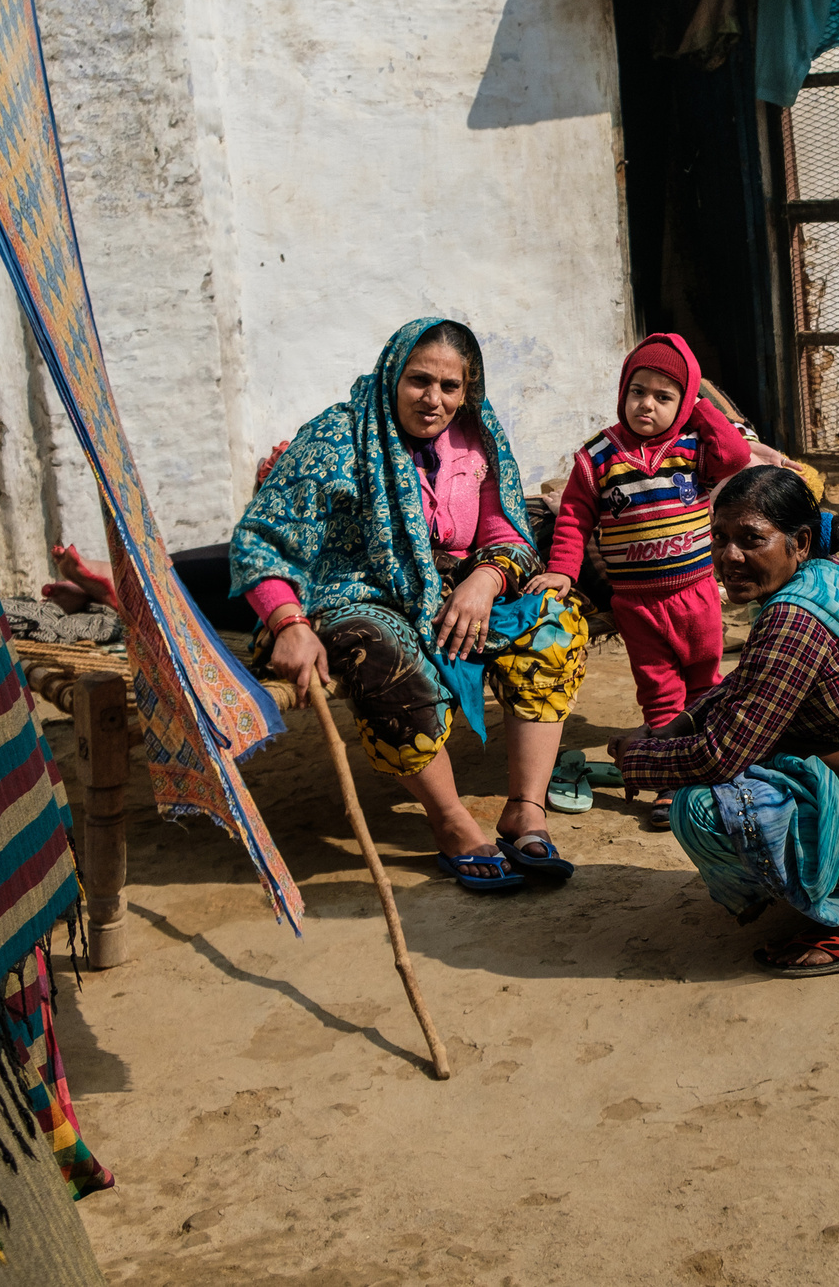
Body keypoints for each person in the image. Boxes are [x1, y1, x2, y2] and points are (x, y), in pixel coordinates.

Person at [231, 318, 588, 893]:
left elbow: (507, 530)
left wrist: (488, 579)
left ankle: (526, 807)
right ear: (392, 374)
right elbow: (260, 541)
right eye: (419, 380)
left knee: (553, 621)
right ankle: (450, 822)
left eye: (451, 387)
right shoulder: (336, 437)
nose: (434, 399)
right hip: (357, 594)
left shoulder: (477, 434)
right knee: (381, 653)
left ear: (468, 390)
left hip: (459, 591)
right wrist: (288, 623)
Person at [610, 467, 839, 976]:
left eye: (751, 540)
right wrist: (680, 722)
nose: (729, 557)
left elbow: (719, 756)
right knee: (755, 766)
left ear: (800, 541)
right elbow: (745, 685)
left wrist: (639, 759)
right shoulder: (827, 580)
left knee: (699, 808)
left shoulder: (792, 619)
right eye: (718, 538)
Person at [533, 333, 752, 831]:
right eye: (637, 392)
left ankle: (708, 767)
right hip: (637, 605)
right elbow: (572, 517)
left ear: (685, 404)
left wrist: (700, 407)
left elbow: (737, 459)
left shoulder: (695, 447)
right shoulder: (598, 456)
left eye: (663, 396)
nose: (646, 404)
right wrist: (564, 570)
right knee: (659, 693)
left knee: (705, 685)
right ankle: (669, 779)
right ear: (622, 393)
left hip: (696, 596)